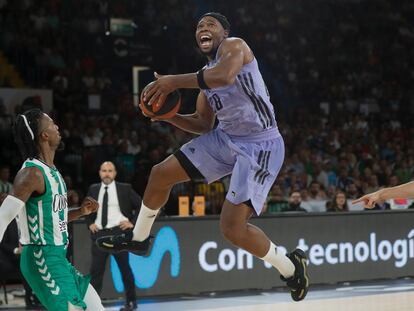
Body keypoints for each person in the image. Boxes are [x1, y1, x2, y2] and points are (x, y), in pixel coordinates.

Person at [97, 12, 309, 301]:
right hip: (226, 138)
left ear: (224, 32)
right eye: (199, 26)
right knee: (160, 174)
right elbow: (202, 124)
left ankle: (289, 266)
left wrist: (172, 82)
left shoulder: (235, 47)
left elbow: (223, 76)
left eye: (211, 25)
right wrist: (168, 117)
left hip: (260, 146)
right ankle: (140, 237)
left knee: (232, 229)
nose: (203, 29)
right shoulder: (205, 74)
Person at [0, 108, 105, 311]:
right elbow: (3, 217)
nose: (57, 126)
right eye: (52, 124)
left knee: (96, 307)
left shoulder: (52, 172)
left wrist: (81, 212)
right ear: (44, 135)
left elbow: (52, 218)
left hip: (58, 257)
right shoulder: (31, 173)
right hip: (42, 258)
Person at [86, 161, 141, 311]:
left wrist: (132, 223)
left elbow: (141, 205)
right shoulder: (94, 189)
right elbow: (86, 209)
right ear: (100, 173)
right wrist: (90, 223)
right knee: (95, 273)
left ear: (115, 173)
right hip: (99, 235)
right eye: (104, 170)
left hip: (119, 234)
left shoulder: (125, 188)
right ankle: (93, 305)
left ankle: (131, 302)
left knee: (125, 270)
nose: (107, 173)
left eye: (110, 171)